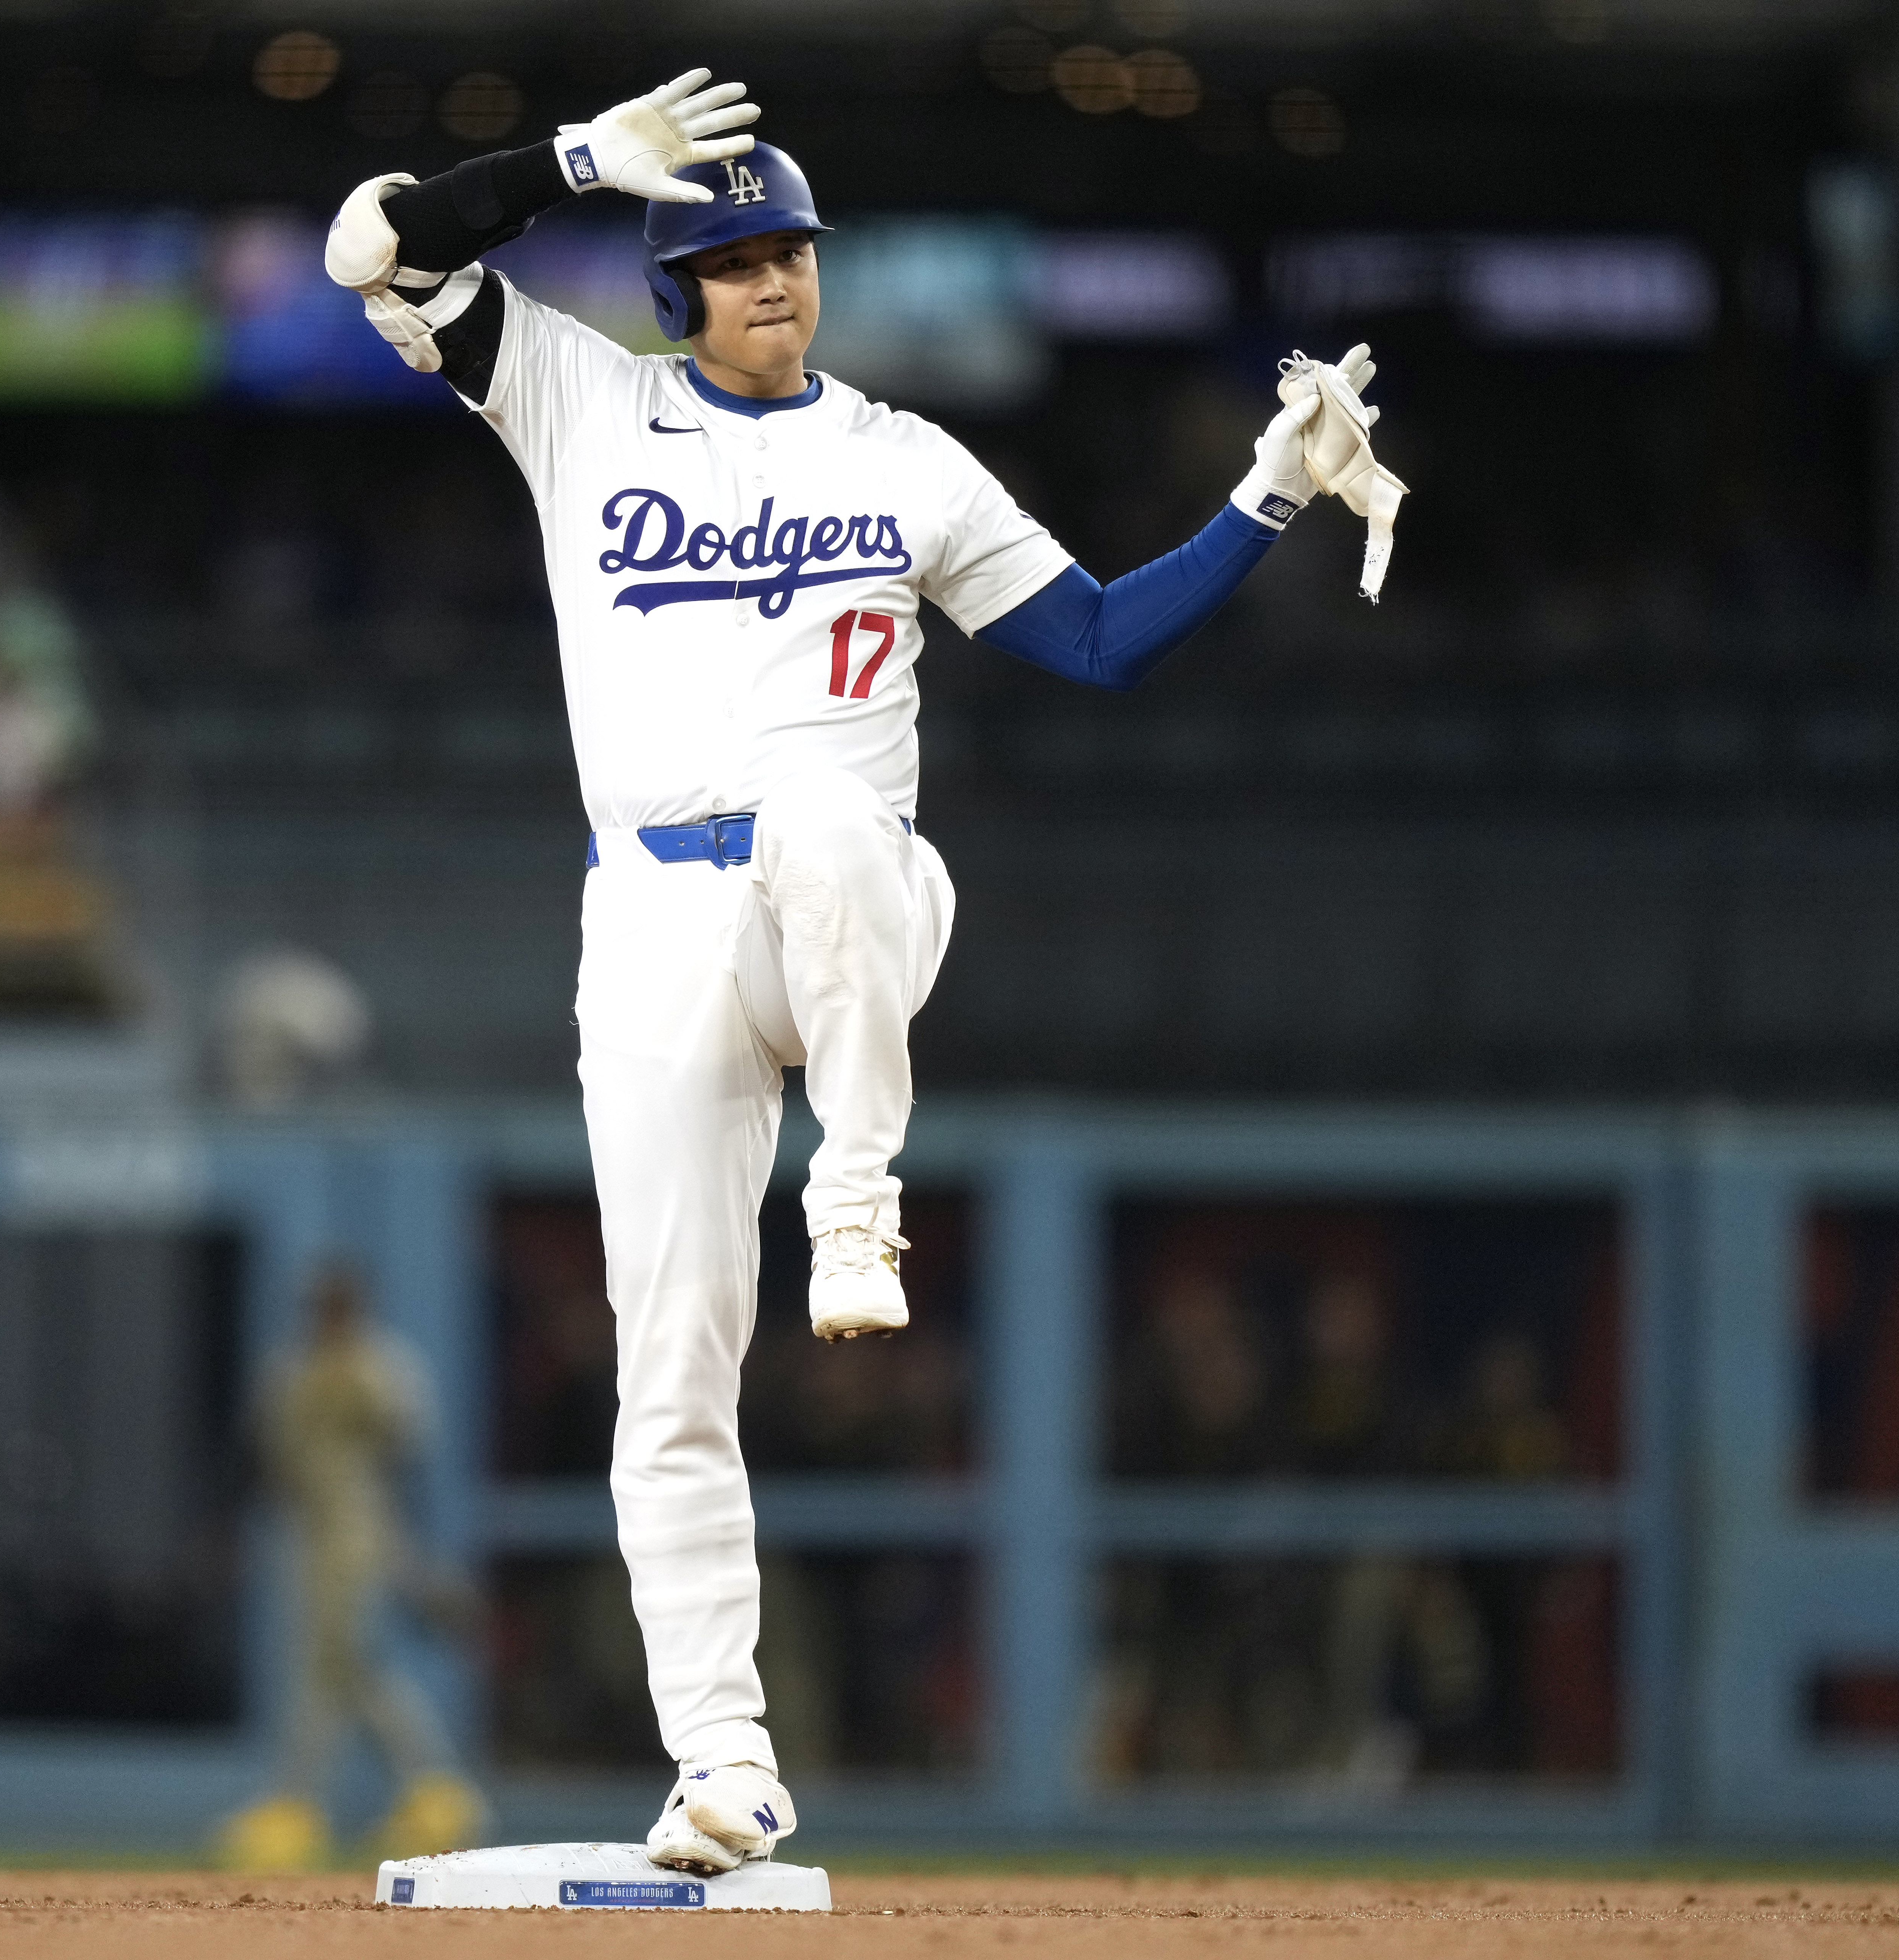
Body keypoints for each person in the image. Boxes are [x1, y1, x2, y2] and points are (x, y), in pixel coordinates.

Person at [324, 69, 1396, 1873]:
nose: (772, 286)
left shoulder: (902, 455)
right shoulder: (582, 397)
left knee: (824, 804)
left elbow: (1106, 641)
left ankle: (857, 1191)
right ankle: (724, 1767)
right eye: (734, 262)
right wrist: (570, 165)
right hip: (655, 923)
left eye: (791, 256)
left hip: (861, 909)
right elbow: (369, 246)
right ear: (676, 288)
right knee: (666, 1372)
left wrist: (1265, 500)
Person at [221, 1265, 483, 1871]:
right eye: (320, 1304)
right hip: (309, 1532)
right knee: (342, 1664)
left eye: (337, 1304)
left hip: (360, 1530)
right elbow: (266, 1456)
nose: (327, 1314)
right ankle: (433, 1793)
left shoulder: (381, 1367)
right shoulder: (291, 1367)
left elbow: (404, 1459)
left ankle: (300, 1806)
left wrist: (411, 1557)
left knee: (332, 1661)